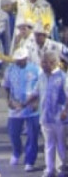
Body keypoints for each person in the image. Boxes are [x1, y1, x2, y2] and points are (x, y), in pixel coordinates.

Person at [5, 42, 41, 170]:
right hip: (16, 106)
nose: (18, 62)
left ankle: (29, 160)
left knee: (32, 134)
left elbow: (42, 86)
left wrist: (36, 102)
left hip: (31, 107)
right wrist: (8, 100)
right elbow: (7, 86)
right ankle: (16, 152)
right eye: (17, 60)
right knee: (13, 132)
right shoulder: (10, 69)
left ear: (26, 58)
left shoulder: (36, 69)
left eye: (21, 60)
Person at [39, 46, 67, 175]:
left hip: (59, 117)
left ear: (53, 62)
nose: (42, 64)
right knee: (48, 145)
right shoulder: (42, 76)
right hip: (45, 116)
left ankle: (62, 168)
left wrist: (65, 111)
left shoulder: (63, 77)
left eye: (45, 62)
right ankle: (50, 169)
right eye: (42, 62)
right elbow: (37, 92)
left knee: (61, 145)